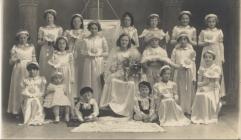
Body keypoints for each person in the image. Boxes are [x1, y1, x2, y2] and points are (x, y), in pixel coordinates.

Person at [100, 33, 140, 117]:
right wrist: (114, 69)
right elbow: (112, 66)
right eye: (122, 40)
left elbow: (136, 65)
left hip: (129, 73)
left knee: (132, 82)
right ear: (119, 41)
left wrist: (130, 70)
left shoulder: (133, 52)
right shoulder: (116, 52)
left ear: (129, 42)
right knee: (111, 78)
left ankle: (130, 105)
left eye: (126, 40)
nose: (124, 42)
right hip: (119, 71)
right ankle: (111, 104)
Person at [7, 30, 37, 116]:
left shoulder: (31, 47)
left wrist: (35, 68)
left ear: (27, 38)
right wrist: (15, 60)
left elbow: (34, 58)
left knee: (29, 87)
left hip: (29, 69)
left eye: (24, 38)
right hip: (18, 70)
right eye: (21, 38)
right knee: (19, 88)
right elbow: (10, 62)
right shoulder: (15, 48)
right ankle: (17, 110)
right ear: (18, 39)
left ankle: (29, 110)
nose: (23, 39)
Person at [80, 21, 109, 104]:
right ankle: (87, 101)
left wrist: (99, 53)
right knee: (88, 80)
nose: (93, 30)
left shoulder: (102, 39)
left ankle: (99, 101)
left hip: (98, 62)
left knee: (97, 81)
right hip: (88, 62)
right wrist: (89, 53)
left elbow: (106, 52)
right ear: (89, 29)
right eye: (92, 28)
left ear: (98, 29)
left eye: (95, 28)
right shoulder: (85, 39)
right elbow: (82, 52)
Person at [198, 13, 225, 97]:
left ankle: (218, 93)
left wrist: (222, 56)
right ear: (207, 23)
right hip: (206, 50)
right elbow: (199, 43)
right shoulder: (203, 32)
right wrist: (205, 43)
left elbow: (221, 44)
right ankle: (204, 91)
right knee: (205, 69)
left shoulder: (219, 32)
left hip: (216, 52)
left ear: (216, 22)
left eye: (213, 22)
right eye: (209, 22)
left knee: (217, 71)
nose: (211, 23)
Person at [191, 50, 222, 124]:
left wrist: (210, 84)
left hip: (213, 87)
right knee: (200, 94)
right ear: (204, 58)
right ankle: (200, 115)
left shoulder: (216, 68)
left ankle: (208, 115)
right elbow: (199, 82)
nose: (207, 59)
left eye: (210, 57)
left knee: (206, 96)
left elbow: (217, 81)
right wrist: (202, 85)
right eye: (206, 57)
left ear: (213, 58)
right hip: (204, 86)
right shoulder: (202, 68)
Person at [48, 36, 75, 118]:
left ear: (66, 44)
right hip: (58, 73)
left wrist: (72, 77)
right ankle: (58, 113)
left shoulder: (69, 54)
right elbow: (52, 64)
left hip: (67, 72)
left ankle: (68, 112)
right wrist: (54, 68)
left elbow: (72, 66)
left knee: (67, 91)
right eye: (59, 43)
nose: (61, 45)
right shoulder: (55, 54)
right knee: (58, 91)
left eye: (63, 43)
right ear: (57, 44)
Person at [64, 14, 88, 99]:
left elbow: (86, 45)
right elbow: (64, 43)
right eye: (74, 21)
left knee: (80, 73)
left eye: (78, 21)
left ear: (81, 22)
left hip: (80, 55)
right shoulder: (68, 32)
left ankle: (80, 93)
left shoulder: (84, 33)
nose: (76, 23)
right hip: (70, 54)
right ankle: (72, 94)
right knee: (71, 72)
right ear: (72, 23)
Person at [171, 32, 196, 115]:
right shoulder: (175, 50)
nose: (183, 41)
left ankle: (188, 109)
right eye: (181, 39)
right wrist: (179, 67)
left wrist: (194, 77)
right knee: (179, 90)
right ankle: (179, 109)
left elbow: (193, 63)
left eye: (185, 39)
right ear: (178, 41)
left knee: (188, 90)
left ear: (187, 40)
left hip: (188, 73)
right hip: (178, 72)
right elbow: (172, 62)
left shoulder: (191, 50)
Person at [38, 9, 63, 81]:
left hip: (55, 50)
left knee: (54, 67)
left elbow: (61, 41)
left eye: (51, 17)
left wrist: (55, 43)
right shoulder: (42, 29)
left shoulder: (59, 29)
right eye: (47, 17)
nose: (49, 19)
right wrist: (45, 41)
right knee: (45, 67)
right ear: (45, 18)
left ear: (54, 18)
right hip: (45, 50)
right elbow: (39, 42)